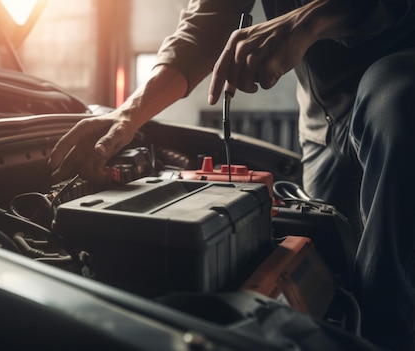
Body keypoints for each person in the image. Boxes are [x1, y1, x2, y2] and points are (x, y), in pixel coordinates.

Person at [47, 0, 415, 350]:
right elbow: (202, 30)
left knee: (391, 293)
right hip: (324, 125)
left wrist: (308, 19)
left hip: (401, 101)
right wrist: (127, 114)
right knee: (334, 277)